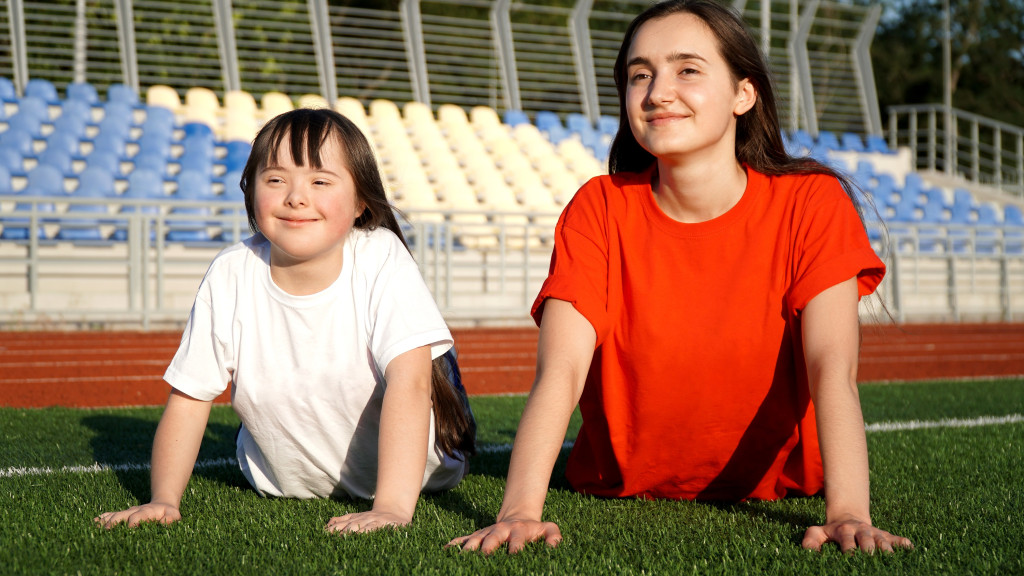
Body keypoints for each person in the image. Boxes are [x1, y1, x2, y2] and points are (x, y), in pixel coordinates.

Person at [449, 0, 912, 555]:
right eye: (640, 74)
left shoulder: (811, 203)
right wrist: (520, 511)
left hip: (777, 489)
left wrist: (848, 514)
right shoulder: (599, 207)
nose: (657, 91)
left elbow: (831, 367)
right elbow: (562, 369)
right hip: (614, 488)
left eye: (687, 69)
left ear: (745, 93)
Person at [95, 108, 475, 534]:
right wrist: (163, 500)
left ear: (361, 203)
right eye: (276, 180)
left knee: (423, 358)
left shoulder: (379, 255)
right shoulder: (231, 271)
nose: (296, 197)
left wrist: (391, 507)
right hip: (282, 484)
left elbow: (411, 383)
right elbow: (190, 395)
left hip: (424, 471)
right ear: (250, 190)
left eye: (320, 181)